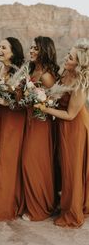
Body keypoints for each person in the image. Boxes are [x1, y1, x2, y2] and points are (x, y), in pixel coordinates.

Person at [35, 38, 89, 227]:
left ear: (80, 63)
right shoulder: (64, 72)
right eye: (68, 54)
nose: (66, 58)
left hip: (74, 127)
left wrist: (43, 108)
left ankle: (71, 211)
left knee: (71, 168)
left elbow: (70, 114)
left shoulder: (81, 84)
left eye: (71, 57)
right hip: (62, 125)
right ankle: (63, 201)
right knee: (62, 165)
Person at [21, 36, 59, 221]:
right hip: (29, 120)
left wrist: (39, 103)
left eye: (36, 48)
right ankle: (31, 203)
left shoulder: (46, 75)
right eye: (31, 47)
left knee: (34, 163)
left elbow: (54, 101)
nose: (32, 51)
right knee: (27, 163)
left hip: (41, 123)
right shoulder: (32, 69)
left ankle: (40, 208)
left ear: (44, 50)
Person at [0, 37, 26, 221]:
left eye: (4, 47)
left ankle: (6, 206)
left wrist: (6, 96)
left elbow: (21, 100)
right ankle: (0, 201)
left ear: (13, 52)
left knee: (3, 162)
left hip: (12, 119)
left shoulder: (19, 72)